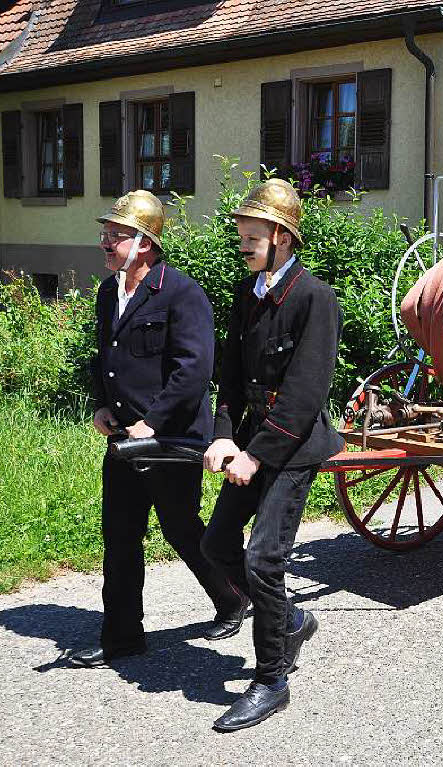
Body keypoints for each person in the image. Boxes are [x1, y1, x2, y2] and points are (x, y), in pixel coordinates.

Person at [70, 191, 245, 668]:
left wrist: (153, 421)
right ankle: (122, 639)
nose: (105, 243)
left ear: (145, 243)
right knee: (120, 535)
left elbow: (193, 370)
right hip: (125, 438)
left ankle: (232, 598)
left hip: (171, 438)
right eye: (104, 235)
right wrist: (101, 406)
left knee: (182, 530)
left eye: (115, 236)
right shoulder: (110, 292)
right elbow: (105, 359)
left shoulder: (182, 293)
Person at [200, 179, 343, 731]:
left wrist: (256, 457)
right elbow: (230, 380)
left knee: (263, 558)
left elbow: (308, 391)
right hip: (251, 444)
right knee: (216, 544)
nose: (242, 243)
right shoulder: (247, 293)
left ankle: (271, 680)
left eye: (251, 235)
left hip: (294, 446)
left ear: (282, 237)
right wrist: (222, 435)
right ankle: (290, 620)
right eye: (241, 234)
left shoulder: (315, 297)